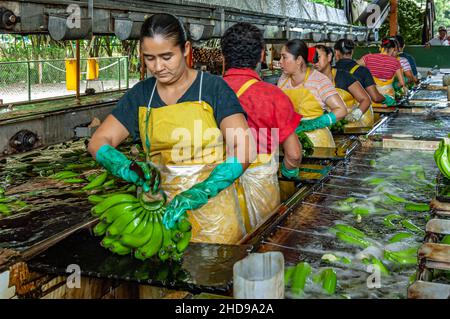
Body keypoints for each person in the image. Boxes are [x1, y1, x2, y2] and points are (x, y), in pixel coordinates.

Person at [87, 13, 256, 245]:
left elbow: (244, 147)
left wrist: (204, 190)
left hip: (214, 219)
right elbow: (99, 141)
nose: (158, 67)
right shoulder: (141, 94)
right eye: (150, 58)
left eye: (167, 57)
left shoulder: (213, 88)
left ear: (186, 49)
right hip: (157, 219)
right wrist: (127, 167)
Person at [221, 22, 302, 231]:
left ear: (223, 56)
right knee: (264, 242)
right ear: (260, 56)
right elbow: (293, 154)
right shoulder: (274, 96)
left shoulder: (206, 93)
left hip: (218, 192)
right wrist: (288, 174)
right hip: (262, 190)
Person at [277, 39, 347, 148]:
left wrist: (315, 123)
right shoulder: (283, 79)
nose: (280, 61)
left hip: (317, 143)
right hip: (290, 141)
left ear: (299, 60)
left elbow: (341, 110)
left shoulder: (319, 80)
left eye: (284, 57)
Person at [313, 45, 372, 128]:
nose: (315, 61)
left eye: (318, 57)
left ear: (329, 57)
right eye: (312, 58)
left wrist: (356, 114)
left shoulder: (344, 76)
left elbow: (365, 99)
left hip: (349, 127)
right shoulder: (310, 80)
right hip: (324, 127)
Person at [334, 39, 389, 107]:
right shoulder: (362, 71)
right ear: (352, 52)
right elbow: (376, 97)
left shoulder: (330, 71)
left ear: (336, 52)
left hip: (334, 113)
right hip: (358, 113)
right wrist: (386, 99)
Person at [357, 37, 407, 107]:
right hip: (387, 98)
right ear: (392, 49)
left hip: (371, 95)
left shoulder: (368, 58)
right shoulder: (396, 62)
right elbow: (402, 83)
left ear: (381, 47)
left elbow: (353, 67)